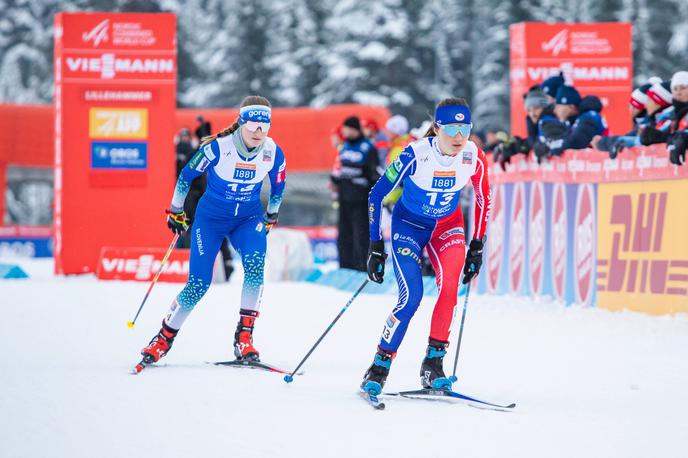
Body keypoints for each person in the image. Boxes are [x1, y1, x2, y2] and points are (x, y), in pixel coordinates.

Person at [138, 95, 286, 367]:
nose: (259, 131)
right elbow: (186, 176)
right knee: (199, 284)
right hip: (210, 220)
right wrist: (176, 210)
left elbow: (278, 186)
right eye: (253, 125)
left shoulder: (273, 151)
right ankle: (163, 338)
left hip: (247, 218)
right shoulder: (219, 147)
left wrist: (271, 215)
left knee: (255, 268)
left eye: (265, 126)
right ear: (242, 122)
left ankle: (244, 338)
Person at [361, 98, 491, 395]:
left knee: (448, 292)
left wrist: (477, 246)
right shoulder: (415, 154)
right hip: (409, 229)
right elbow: (376, 196)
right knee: (412, 298)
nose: (459, 137)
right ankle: (379, 366)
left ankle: (433, 365)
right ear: (437, 128)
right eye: (452, 129)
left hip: (448, 228)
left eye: (465, 129)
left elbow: (484, 198)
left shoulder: (473, 156)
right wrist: (375, 245)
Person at [330, 116, 380, 271]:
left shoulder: (367, 147)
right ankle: (345, 265)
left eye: (348, 128)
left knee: (361, 233)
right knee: (344, 234)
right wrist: (334, 182)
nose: (345, 132)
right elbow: (339, 170)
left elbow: (373, 173)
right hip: (344, 198)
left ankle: (362, 266)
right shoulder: (344, 147)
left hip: (361, 198)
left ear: (355, 129)